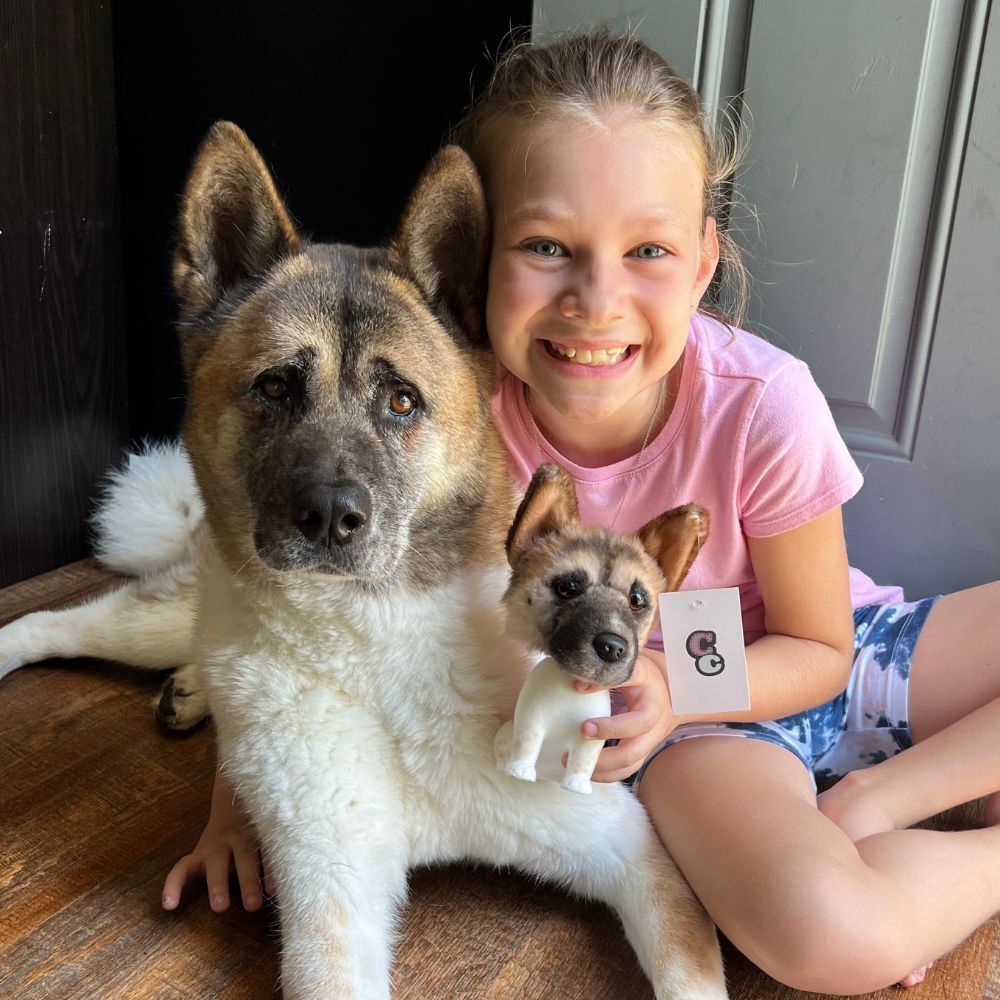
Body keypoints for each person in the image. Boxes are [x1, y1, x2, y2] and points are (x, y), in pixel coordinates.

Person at [162, 29, 1000, 994]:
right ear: (478, 270)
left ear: (703, 261)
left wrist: (884, 799)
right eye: (548, 247)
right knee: (829, 937)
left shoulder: (763, 403)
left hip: (841, 649)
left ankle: (897, 795)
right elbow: (296, 635)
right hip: (700, 732)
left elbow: (822, 646)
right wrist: (234, 806)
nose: (596, 299)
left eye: (648, 249)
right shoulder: (451, 430)